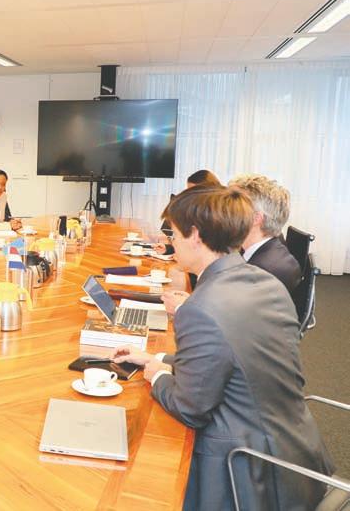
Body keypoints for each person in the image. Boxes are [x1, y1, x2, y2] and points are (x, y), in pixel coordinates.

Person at [111, 186, 332, 510]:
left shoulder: (200, 308)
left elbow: (190, 407)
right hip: (298, 457)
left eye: (174, 234)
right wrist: (157, 357)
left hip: (244, 473)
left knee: (136, 469)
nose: (172, 242)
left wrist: (156, 375)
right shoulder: (265, 282)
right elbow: (233, 359)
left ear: (195, 236)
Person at [228, 173, 301, 293]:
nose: (223, 211)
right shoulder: (265, 250)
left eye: (232, 205)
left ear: (256, 219)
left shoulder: (261, 274)